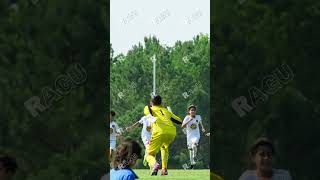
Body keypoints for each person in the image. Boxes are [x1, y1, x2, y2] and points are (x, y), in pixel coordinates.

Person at [144, 95, 182, 176]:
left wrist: (149, 106)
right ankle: (164, 169)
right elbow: (179, 121)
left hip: (159, 132)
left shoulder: (148, 108)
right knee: (164, 147)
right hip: (171, 132)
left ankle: (155, 165)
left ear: (151, 102)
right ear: (161, 102)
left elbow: (148, 113)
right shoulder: (166, 111)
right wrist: (169, 114)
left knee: (149, 154)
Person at [181, 105, 206, 169]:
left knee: (194, 145)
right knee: (190, 150)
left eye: (194, 110)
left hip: (196, 135)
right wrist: (189, 120)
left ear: (195, 111)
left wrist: (203, 128)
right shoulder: (187, 117)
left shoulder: (198, 116)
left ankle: (194, 156)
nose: (193, 111)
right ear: (189, 111)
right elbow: (182, 126)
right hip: (189, 136)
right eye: (191, 110)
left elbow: (200, 123)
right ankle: (192, 164)